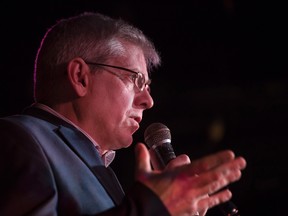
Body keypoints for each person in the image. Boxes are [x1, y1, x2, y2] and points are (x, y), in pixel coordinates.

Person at [0, 12, 246, 216]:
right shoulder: (16, 138)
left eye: (148, 86)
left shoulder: (99, 168)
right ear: (80, 77)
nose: (148, 100)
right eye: (136, 79)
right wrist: (152, 208)